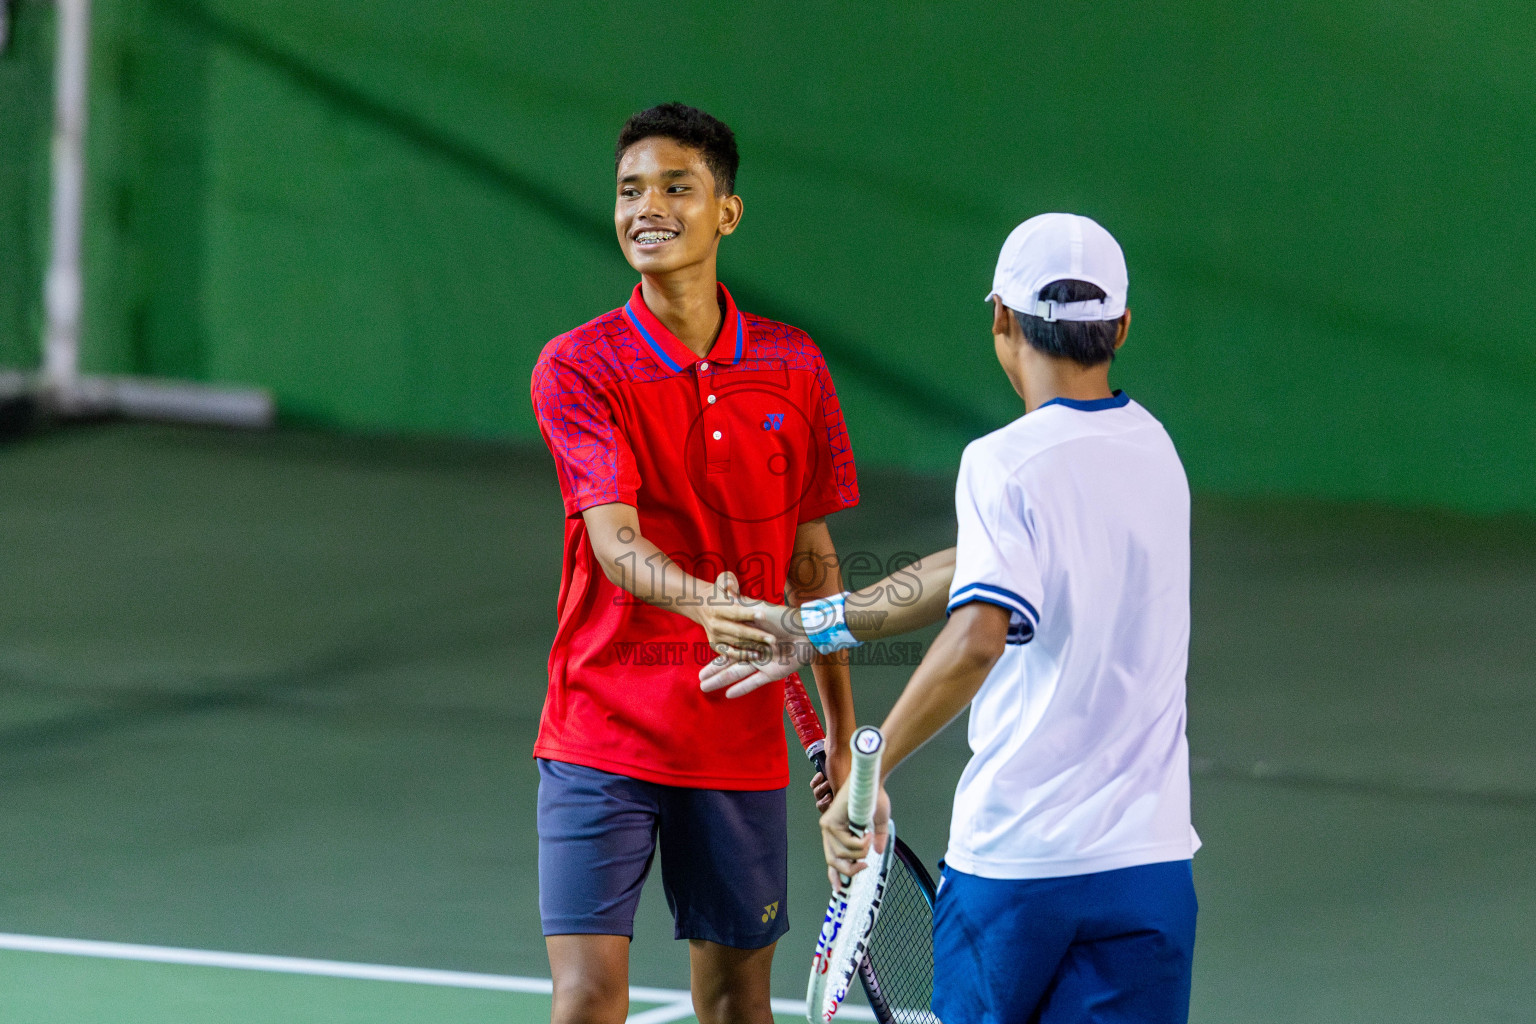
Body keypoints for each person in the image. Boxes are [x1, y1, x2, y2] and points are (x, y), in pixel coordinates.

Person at [703, 213, 1200, 1023]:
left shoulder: (1004, 462)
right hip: (1148, 870)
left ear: (1000, 318)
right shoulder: (1155, 452)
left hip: (1017, 870)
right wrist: (813, 625)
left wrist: (866, 783)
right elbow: (970, 565)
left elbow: (976, 636)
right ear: (1121, 326)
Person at [529, 103, 860, 1024]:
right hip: (602, 726)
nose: (649, 207)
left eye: (678, 186)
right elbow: (615, 540)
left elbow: (814, 569)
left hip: (737, 739)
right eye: (631, 189)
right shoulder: (578, 367)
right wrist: (697, 604)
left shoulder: (794, 368)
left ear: (728, 212)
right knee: (587, 998)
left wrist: (840, 726)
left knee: (734, 1008)